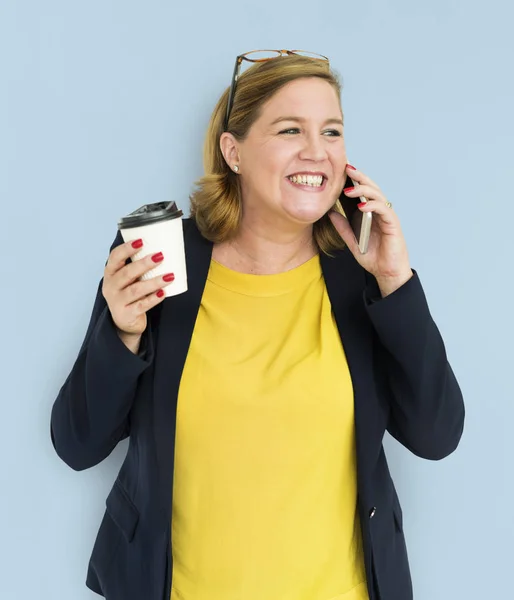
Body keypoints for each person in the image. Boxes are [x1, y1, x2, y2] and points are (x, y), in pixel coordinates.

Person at [50, 50, 465, 600]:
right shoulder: (160, 259)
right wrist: (121, 335)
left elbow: (436, 436)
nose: (317, 152)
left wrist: (397, 282)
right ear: (234, 151)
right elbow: (78, 444)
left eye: (332, 131)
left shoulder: (362, 274)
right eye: (290, 129)